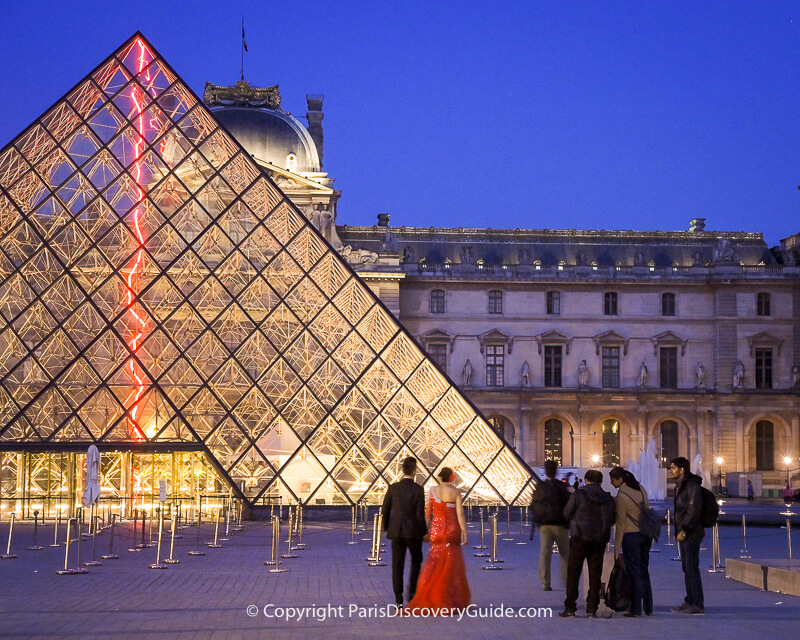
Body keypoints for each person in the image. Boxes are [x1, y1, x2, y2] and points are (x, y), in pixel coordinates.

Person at [406, 467, 470, 613]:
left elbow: (428, 514)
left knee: (435, 562)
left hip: (437, 530)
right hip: (452, 530)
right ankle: (449, 596)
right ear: (452, 478)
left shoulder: (433, 491)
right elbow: (460, 514)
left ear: (441, 477)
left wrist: (425, 531)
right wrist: (464, 532)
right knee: (451, 564)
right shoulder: (456, 492)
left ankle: (433, 595)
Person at [559, 469, 615, 618]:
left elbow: (566, 513)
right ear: (601, 481)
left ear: (586, 480)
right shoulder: (608, 498)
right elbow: (613, 518)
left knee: (573, 574)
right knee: (595, 576)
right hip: (599, 541)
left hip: (579, 539)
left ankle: (570, 607)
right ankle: (592, 609)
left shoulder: (579, 495)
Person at [382, 457, 427, 609]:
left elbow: (385, 510)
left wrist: (387, 528)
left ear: (402, 470)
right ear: (414, 471)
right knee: (416, 561)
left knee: (397, 565)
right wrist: (424, 532)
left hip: (396, 532)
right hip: (413, 532)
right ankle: (411, 593)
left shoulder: (393, 488)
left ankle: (398, 599)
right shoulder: (418, 489)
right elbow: (420, 514)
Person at [609, 467, 653, 617]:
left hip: (631, 535)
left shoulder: (622, 496)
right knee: (643, 570)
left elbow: (620, 523)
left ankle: (635, 608)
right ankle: (648, 606)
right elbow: (646, 509)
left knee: (633, 572)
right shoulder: (641, 489)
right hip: (645, 535)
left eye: (613, 479)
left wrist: (616, 547)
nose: (611, 482)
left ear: (620, 479)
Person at [669, 456, 705, 615]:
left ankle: (697, 604)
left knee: (691, 568)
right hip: (685, 531)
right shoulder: (681, 486)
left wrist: (684, 529)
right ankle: (690, 600)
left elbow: (693, 509)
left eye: (673, 467)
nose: (671, 470)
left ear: (682, 469)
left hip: (691, 532)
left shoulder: (691, 486)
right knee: (687, 567)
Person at [531, 460, 571, 591]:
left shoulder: (540, 487)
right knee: (565, 554)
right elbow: (569, 505)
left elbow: (533, 504)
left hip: (544, 525)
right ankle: (567, 580)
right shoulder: (561, 487)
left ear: (545, 471)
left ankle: (545, 582)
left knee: (545, 554)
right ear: (556, 471)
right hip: (560, 525)